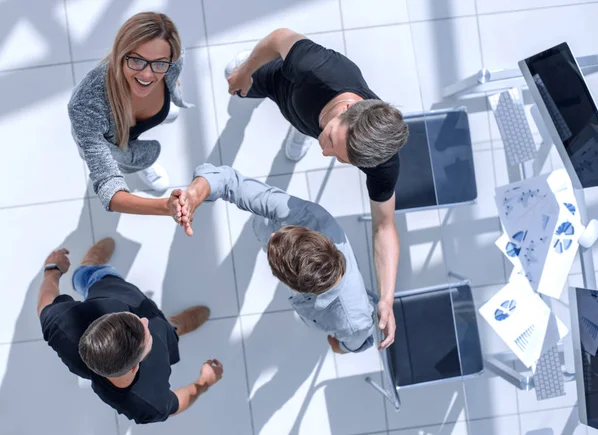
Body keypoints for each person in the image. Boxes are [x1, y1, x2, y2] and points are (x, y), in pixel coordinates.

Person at [222, 28, 407, 349]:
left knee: (310, 132)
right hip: (282, 84)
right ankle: (249, 75)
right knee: (234, 77)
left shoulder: (381, 162)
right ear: (348, 109)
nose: (326, 153)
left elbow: (385, 227)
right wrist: (244, 72)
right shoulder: (317, 68)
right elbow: (278, 37)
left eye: (340, 158)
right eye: (334, 142)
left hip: (307, 116)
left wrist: (387, 297)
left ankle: (303, 133)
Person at [170, 163, 376, 353]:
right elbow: (229, 182)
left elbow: (348, 345)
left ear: (289, 281)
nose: (272, 234)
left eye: (274, 259)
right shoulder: (310, 217)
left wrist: (338, 346)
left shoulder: (354, 322)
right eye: (284, 234)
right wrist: (195, 194)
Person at [37, 239, 223, 424]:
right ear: (135, 367)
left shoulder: (62, 328)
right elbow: (177, 402)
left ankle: (90, 265)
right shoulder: (147, 404)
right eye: (144, 331)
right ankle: (174, 326)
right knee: (163, 327)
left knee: (86, 276)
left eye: (126, 317)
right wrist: (204, 383)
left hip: (105, 286)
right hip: (160, 330)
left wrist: (52, 270)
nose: (144, 320)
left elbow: (45, 304)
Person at [68, 12, 192, 218]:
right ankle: (135, 164)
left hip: (135, 120)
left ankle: (162, 110)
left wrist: (171, 88)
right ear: (120, 53)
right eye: (136, 60)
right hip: (110, 139)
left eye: (160, 64)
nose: (146, 75)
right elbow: (108, 183)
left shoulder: (175, 60)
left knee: (163, 108)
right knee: (122, 156)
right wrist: (165, 207)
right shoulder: (85, 104)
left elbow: (173, 73)